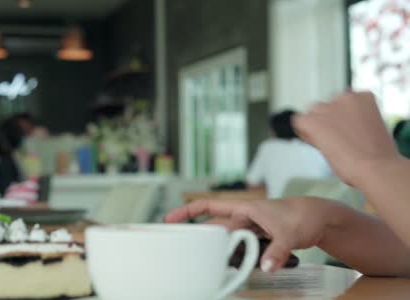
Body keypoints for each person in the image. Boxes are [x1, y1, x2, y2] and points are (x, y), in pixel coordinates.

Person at [166, 91, 410, 277]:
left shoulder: (269, 148)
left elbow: (253, 183)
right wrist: (322, 220)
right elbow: (403, 253)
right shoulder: (310, 151)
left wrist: (377, 164)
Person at [246, 109, 331, 198]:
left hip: (282, 206)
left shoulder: (268, 147)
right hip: (318, 205)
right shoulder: (316, 147)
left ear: (274, 131)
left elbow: (252, 183)